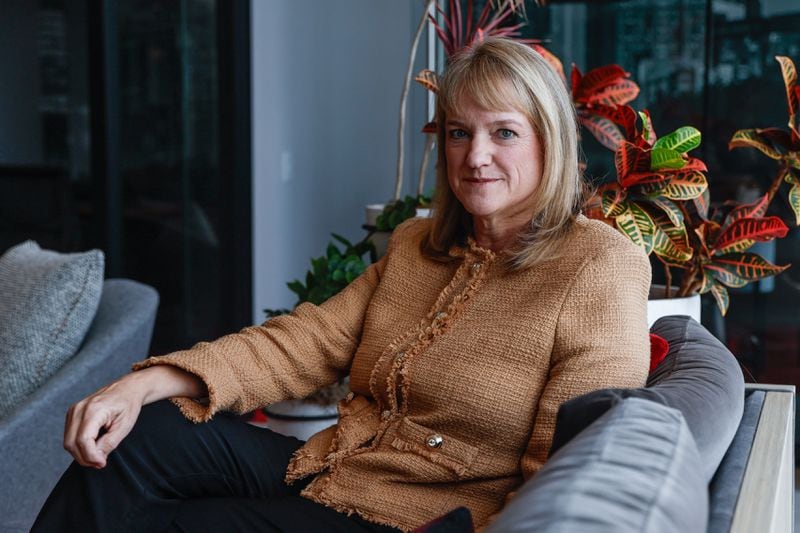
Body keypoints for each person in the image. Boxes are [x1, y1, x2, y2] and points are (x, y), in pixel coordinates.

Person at [33, 37, 651, 532]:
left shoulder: (598, 266)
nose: (475, 156)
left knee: (181, 522)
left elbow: (573, 458)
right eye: (460, 132)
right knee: (144, 435)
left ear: (551, 142)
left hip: (425, 513)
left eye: (504, 132)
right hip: (337, 463)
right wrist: (141, 384)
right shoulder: (418, 243)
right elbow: (306, 342)